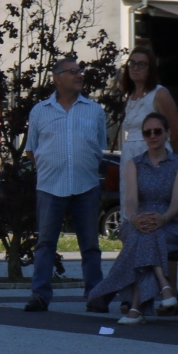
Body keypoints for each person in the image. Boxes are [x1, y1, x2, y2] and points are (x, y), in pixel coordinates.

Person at [24, 53, 108, 311]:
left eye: (80, 71)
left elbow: (100, 147)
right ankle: (40, 295)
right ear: (57, 79)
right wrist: (50, 166)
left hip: (86, 184)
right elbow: (31, 149)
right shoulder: (40, 111)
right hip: (50, 186)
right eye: (73, 71)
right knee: (46, 243)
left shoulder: (94, 111)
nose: (79, 75)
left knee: (90, 244)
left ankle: (95, 295)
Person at [87, 112, 178, 324]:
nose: (152, 136)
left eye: (157, 131)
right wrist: (133, 218)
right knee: (144, 234)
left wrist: (163, 218)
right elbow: (131, 199)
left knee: (147, 237)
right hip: (139, 219)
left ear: (168, 133)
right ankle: (164, 286)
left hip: (170, 220)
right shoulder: (134, 163)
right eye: (147, 132)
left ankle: (135, 308)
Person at [116, 44, 178, 158]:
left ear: (150, 68)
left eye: (141, 64)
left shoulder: (160, 94)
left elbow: (176, 136)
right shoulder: (130, 96)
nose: (135, 68)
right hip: (129, 160)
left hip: (154, 160)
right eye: (132, 63)